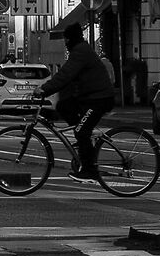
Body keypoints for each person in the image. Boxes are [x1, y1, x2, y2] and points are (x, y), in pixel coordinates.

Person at [38, 15, 115, 177]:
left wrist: (44, 90)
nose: (65, 43)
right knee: (63, 106)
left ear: (70, 39)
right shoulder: (80, 50)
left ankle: (89, 170)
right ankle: (83, 140)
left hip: (99, 99)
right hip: (89, 97)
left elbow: (65, 75)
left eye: (66, 39)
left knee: (81, 131)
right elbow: (68, 78)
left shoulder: (80, 51)